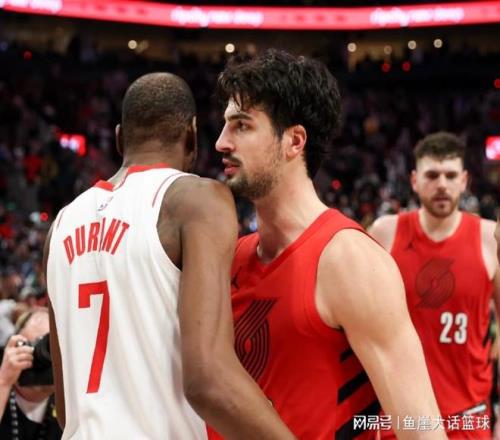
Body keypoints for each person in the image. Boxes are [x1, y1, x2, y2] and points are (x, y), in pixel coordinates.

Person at [44, 73, 294, 439]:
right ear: (191, 136)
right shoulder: (194, 200)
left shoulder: (61, 225)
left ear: (119, 138)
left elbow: (67, 408)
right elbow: (208, 380)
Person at [213, 49, 445, 439]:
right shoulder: (230, 257)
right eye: (225, 125)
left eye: (241, 126)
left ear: (294, 141)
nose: (221, 142)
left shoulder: (350, 261)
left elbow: (423, 429)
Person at [370, 132, 500, 438]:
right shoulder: (384, 233)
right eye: (432, 175)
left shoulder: (489, 237)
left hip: (467, 417)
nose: (442, 184)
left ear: (464, 181)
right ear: (414, 181)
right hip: (399, 418)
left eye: (450, 175)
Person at [0, 307, 61, 439]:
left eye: (50, 349)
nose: (42, 356)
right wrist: (3, 382)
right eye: (35, 345)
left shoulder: (66, 406)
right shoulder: (2, 381)